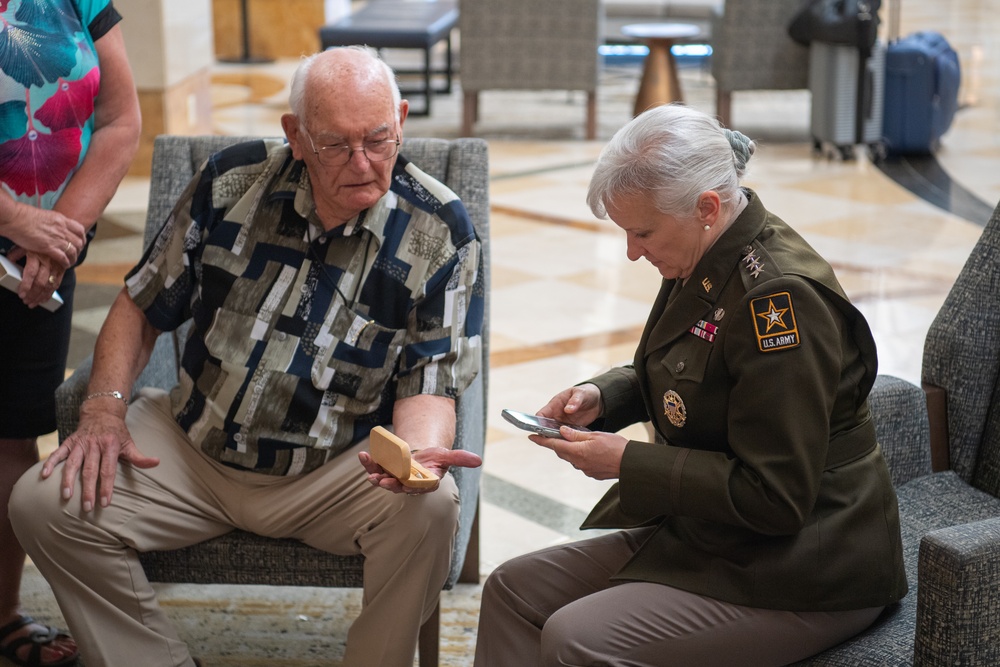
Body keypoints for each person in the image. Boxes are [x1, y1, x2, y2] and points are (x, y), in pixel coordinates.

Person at [10, 45, 484, 667]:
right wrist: (103, 410)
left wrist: (417, 455)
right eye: (337, 145)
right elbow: (140, 305)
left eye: (379, 139)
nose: (364, 164)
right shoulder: (233, 181)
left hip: (337, 469)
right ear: (296, 135)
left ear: (399, 119)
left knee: (430, 507)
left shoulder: (439, 229)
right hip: (192, 451)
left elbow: (431, 377)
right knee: (42, 505)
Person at [474, 104, 908, 667]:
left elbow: (776, 497)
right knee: (512, 589)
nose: (632, 250)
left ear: (706, 207)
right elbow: (696, 369)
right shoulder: (707, 253)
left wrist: (628, 462)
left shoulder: (779, 301)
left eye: (643, 231)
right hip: (719, 536)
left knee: (577, 638)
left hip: (809, 567)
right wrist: (605, 396)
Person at [0, 1, 141, 665]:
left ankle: (1, 613)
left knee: (11, 432)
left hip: (33, 267)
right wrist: (15, 218)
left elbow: (119, 121)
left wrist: (58, 236)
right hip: (22, 239)